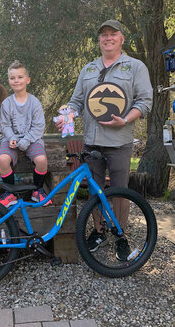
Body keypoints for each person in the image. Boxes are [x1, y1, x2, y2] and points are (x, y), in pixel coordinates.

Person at [56, 19, 153, 261]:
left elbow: (145, 101)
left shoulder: (135, 67)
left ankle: (120, 235)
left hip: (120, 141)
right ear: (99, 40)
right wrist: (67, 114)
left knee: (120, 193)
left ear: (121, 39)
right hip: (92, 142)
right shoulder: (88, 69)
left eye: (113, 34)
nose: (108, 38)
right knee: (95, 192)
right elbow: (77, 101)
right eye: (103, 35)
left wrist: (126, 119)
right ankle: (99, 232)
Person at [0, 60, 52, 207]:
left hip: (32, 139)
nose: (16, 81)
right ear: (9, 81)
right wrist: (12, 138)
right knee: (3, 159)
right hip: (11, 139)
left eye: (20, 77)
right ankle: (10, 194)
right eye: (12, 78)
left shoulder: (34, 102)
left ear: (27, 80)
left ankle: (37, 190)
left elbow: (39, 126)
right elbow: (4, 125)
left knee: (41, 160)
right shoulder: (7, 103)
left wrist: (26, 140)